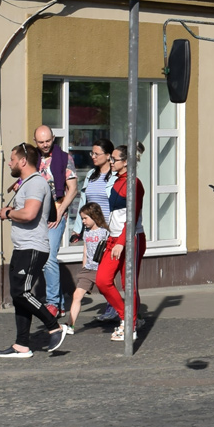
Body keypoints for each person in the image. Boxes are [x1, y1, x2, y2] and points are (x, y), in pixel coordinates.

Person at [0, 142, 69, 358]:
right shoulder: (28, 183)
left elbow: (29, 214)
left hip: (33, 248)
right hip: (22, 247)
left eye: (12, 159)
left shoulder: (36, 183)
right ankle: (21, 345)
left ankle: (54, 326)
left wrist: (8, 213)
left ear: (22, 161)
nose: (9, 163)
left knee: (22, 292)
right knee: (18, 296)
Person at [95, 144, 147, 343]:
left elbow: (131, 217)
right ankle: (130, 318)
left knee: (129, 285)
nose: (111, 161)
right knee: (102, 280)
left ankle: (130, 326)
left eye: (114, 159)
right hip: (114, 239)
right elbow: (116, 214)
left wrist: (122, 242)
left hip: (130, 239)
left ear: (126, 162)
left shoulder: (134, 183)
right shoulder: (116, 181)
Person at [34, 125, 78, 318]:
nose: (45, 145)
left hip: (55, 215)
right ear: (35, 142)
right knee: (41, 258)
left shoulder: (64, 158)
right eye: (41, 142)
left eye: (48, 141)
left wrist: (60, 211)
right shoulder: (31, 158)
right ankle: (58, 302)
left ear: (53, 138)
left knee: (50, 257)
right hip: (37, 215)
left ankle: (52, 302)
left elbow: (73, 189)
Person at [81, 138, 119, 323]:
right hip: (94, 231)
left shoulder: (115, 176)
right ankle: (114, 306)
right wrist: (77, 229)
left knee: (105, 273)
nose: (93, 157)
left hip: (110, 231)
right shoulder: (90, 175)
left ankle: (118, 308)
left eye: (97, 154)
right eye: (92, 153)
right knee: (98, 271)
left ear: (108, 156)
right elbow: (84, 202)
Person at [66, 202, 110, 332]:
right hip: (88, 270)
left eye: (85, 218)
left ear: (94, 216)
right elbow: (85, 251)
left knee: (111, 297)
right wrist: (84, 266)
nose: (83, 221)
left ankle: (131, 318)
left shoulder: (104, 232)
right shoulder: (86, 232)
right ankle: (70, 325)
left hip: (102, 269)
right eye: (82, 219)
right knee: (77, 295)